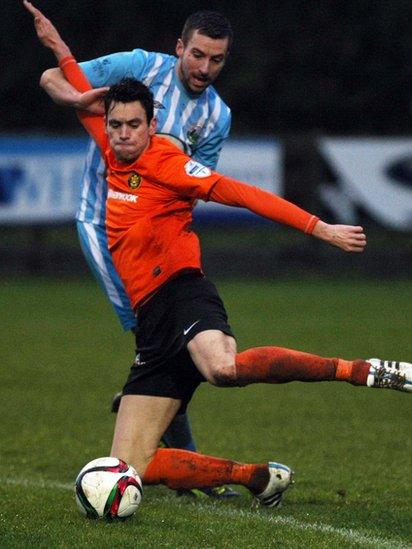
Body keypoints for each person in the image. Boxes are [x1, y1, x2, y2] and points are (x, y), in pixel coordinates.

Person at [26, 2, 412, 509]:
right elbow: (71, 83)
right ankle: (257, 478)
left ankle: (359, 370)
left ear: (152, 124)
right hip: (152, 317)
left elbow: (241, 194)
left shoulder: (167, 161)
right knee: (130, 467)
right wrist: (56, 43)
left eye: (132, 126)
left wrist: (321, 228)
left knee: (221, 369)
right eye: (114, 124)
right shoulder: (110, 142)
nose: (122, 134)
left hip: (181, 291)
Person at [34, 2, 236, 497]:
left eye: (216, 60)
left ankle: (153, 420)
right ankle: (187, 467)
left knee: (165, 347)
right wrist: (79, 99)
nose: (204, 68)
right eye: (197, 55)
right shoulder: (141, 66)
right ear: (178, 49)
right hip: (105, 227)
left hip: (157, 242)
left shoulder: (217, 116)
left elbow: (192, 190)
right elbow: (53, 78)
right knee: (161, 344)